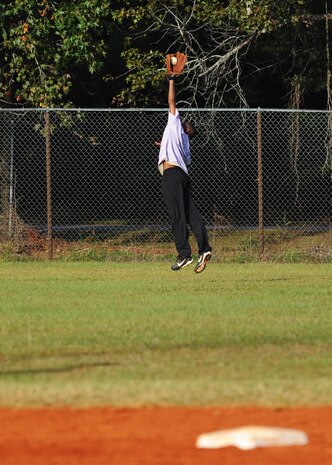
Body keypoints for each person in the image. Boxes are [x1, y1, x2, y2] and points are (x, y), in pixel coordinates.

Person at [156, 74, 212, 272]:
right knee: (191, 214)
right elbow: (183, 157)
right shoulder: (185, 142)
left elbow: (171, 100)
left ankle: (184, 254)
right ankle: (204, 248)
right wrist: (163, 145)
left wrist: (171, 78)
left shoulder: (175, 123)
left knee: (177, 215)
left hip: (171, 175)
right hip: (183, 175)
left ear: (185, 128)